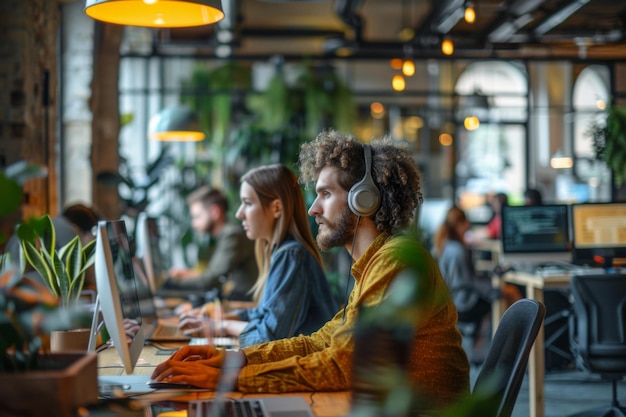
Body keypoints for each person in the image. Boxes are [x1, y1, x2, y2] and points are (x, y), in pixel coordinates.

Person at [152, 130, 470, 409]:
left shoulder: (394, 260)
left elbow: (341, 365)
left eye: (326, 194)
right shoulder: (373, 265)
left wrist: (232, 378)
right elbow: (318, 343)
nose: (313, 208)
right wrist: (235, 359)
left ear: (364, 200)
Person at [178, 164, 339, 347]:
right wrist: (221, 316)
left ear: (276, 208)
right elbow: (263, 313)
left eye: (247, 203)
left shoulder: (291, 255)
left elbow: (270, 338)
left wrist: (220, 325)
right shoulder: (284, 251)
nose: (239, 214)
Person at [166, 186, 257, 301]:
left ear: (215, 212)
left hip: (245, 303)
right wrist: (187, 274)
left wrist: (171, 283)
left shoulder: (232, 235)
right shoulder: (227, 234)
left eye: (197, 217)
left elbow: (210, 280)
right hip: (239, 300)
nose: (194, 224)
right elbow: (213, 273)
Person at [433, 206, 492, 362]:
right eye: (466, 222)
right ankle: (488, 349)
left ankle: (480, 343)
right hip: (463, 302)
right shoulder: (458, 250)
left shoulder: (445, 245)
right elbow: (468, 281)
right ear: (459, 223)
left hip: (453, 300)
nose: (468, 226)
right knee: (498, 298)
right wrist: (492, 289)